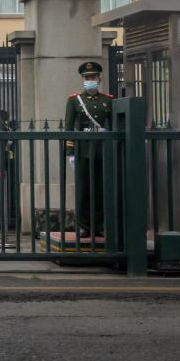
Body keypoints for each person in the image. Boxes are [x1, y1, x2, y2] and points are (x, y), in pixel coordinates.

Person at [64, 61, 114, 239]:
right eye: (87, 78)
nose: (90, 80)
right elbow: (69, 128)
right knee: (83, 190)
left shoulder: (108, 100)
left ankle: (99, 225)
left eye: (93, 77)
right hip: (82, 151)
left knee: (100, 189)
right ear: (82, 79)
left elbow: (112, 126)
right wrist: (70, 152)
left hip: (101, 151)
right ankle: (84, 225)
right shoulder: (75, 100)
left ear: (99, 78)